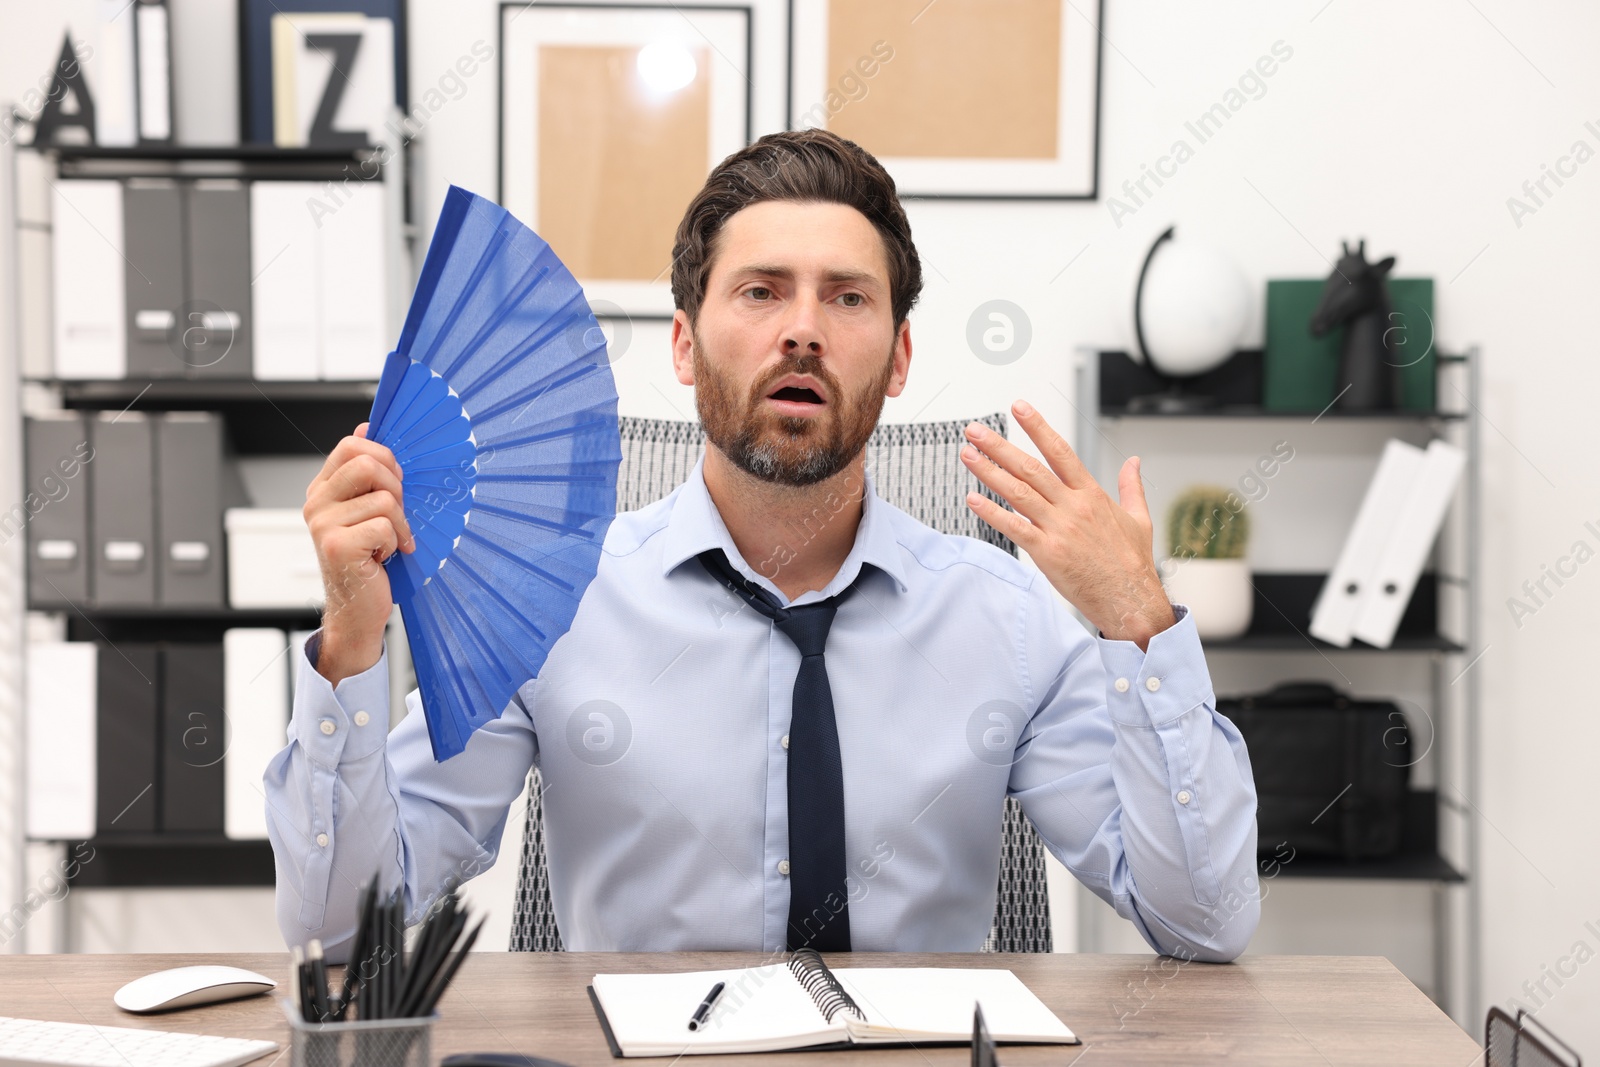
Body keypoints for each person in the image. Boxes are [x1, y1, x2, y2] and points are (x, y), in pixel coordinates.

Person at [265, 128, 1259, 962]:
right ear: (686, 345)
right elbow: (341, 933)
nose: (802, 331)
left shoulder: (1008, 617)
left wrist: (1139, 620)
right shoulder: (551, 603)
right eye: (759, 291)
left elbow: (1204, 927)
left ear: (899, 356)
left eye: (847, 296)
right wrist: (350, 645)